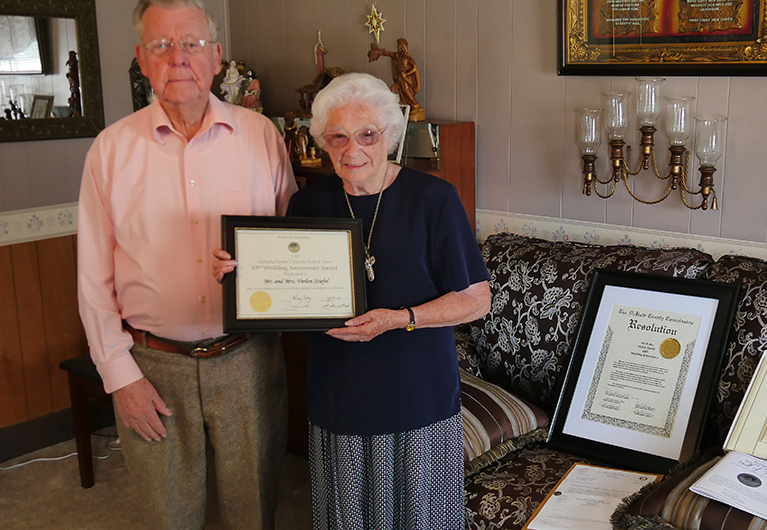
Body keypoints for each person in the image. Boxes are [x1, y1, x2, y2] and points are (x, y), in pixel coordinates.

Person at [213, 72, 490, 529]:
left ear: (390, 135)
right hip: (340, 394)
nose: (352, 148)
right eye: (337, 136)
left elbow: (477, 300)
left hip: (417, 395)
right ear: (323, 141)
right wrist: (240, 273)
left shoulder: (434, 199)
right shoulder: (307, 204)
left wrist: (402, 318)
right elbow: (284, 287)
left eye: (367, 134)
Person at [76, 1, 296, 529]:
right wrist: (119, 377)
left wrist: (263, 265)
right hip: (152, 365)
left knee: (254, 512)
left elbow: (293, 242)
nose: (178, 57)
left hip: (248, 358)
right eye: (161, 45)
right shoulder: (109, 151)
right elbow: (92, 278)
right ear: (141, 59)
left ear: (217, 56)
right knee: (167, 514)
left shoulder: (262, 135)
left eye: (192, 44)